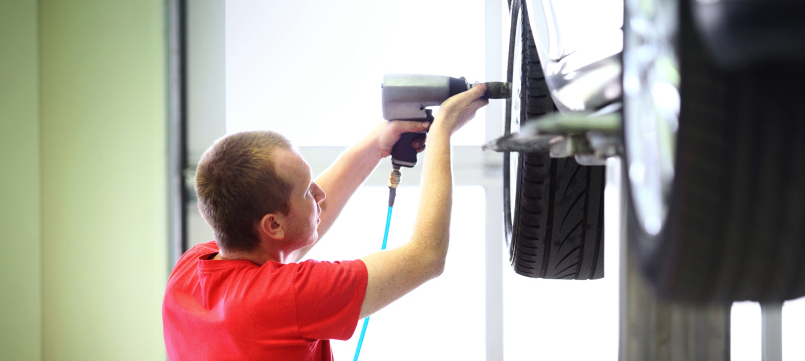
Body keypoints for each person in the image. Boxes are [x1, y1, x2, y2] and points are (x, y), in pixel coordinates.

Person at [162, 84, 488, 360]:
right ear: (272, 225)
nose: (319, 193)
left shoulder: (190, 270)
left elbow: (299, 224)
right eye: (306, 190)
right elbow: (426, 257)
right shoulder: (284, 299)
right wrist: (442, 131)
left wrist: (375, 145)